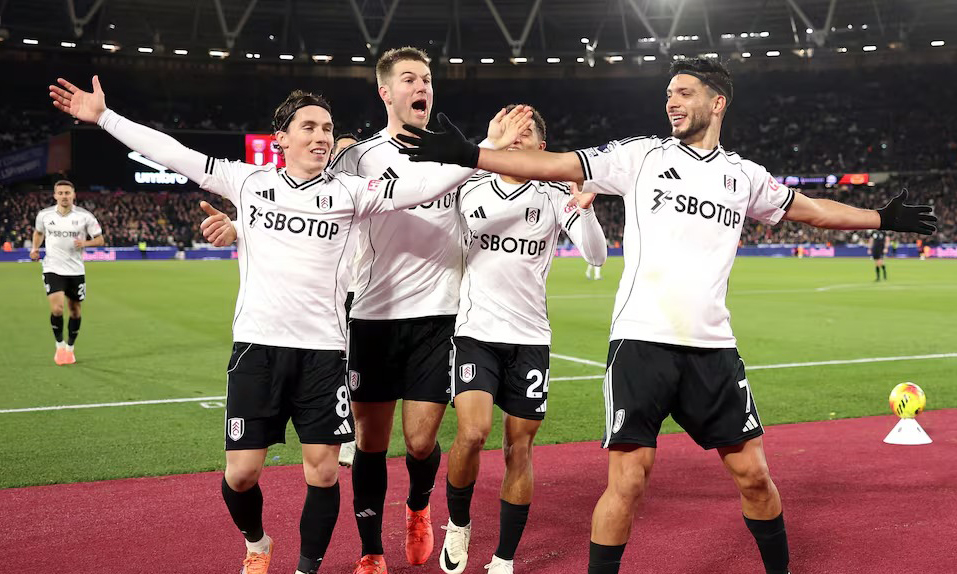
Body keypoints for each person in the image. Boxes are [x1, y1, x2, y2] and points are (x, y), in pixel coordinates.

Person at [394, 57, 937, 574]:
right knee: (628, 482)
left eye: (683, 93)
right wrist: (474, 155)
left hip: (714, 349)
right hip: (641, 345)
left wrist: (880, 216)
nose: (671, 102)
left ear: (717, 101)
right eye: (668, 94)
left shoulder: (743, 175)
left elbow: (808, 209)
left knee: (755, 476)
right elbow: (554, 164)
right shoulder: (642, 156)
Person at [50, 76, 528, 574]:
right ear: (281, 136)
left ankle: (306, 568)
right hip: (257, 350)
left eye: (327, 128)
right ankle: (257, 543)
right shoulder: (248, 182)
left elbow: (427, 183)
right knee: (241, 474)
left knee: (323, 472)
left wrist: (485, 149)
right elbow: (174, 152)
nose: (322, 136)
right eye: (309, 127)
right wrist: (105, 117)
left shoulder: (351, 191)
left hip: (323, 353)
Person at [440, 106, 607, 574]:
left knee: (519, 447)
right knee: (472, 433)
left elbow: (596, 254)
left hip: (530, 338)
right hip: (476, 332)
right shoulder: (471, 186)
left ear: (541, 147)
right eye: (509, 128)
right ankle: (458, 523)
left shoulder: (555, 196)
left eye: (528, 130)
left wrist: (584, 210)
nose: (518, 135)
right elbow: (472, 216)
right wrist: (489, 148)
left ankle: (504, 557)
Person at [30, 179, 104, 365]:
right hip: (52, 267)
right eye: (60, 193)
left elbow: (100, 239)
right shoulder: (44, 215)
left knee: (75, 311)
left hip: (76, 269)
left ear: (73, 195)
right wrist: (35, 248)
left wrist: (85, 243)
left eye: (67, 193)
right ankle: (59, 345)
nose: (64, 196)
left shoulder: (85, 216)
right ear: (55, 195)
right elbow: (39, 233)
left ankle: (70, 348)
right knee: (57, 308)